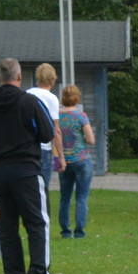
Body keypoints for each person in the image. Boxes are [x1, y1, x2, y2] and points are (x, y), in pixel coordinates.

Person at [0, 57, 56, 274]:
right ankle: (38, 272)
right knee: (37, 222)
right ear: (20, 77)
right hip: (26, 169)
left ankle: (13, 271)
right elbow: (47, 133)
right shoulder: (29, 102)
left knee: (6, 225)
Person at [56, 85, 94, 238]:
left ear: (62, 99)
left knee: (64, 198)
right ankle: (79, 232)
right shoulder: (81, 116)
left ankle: (65, 231)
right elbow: (91, 139)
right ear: (77, 98)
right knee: (81, 198)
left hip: (64, 160)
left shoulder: (57, 117)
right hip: (82, 160)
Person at [28, 63, 64, 198]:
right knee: (43, 191)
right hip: (43, 148)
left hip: (27, 146)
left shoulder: (27, 94)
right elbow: (56, 131)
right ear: (53, 79)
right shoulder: (51, 98)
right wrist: (61, 157)